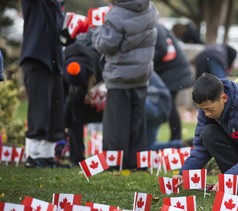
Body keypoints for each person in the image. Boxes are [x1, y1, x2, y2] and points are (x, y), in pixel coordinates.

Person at [92, 0, 158, 170]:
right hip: (141, 74)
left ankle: (114, 163)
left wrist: (97, 31)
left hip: (119, 75)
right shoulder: (149, 7)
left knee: (116, 124)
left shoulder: (116, 14)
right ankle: (136, 163)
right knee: (137, 122)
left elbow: (107, 44)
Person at [20, 0, 70, 168]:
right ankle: (33, 156)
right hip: (37, 57)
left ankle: (47, 156)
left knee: (56, 112)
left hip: (54, 61)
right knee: (39, 110)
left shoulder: (57, 5)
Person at [63, 29, 103, 165]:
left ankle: (111, 157)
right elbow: (65, 97)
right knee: (74, 118)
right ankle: (76, 158)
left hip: (102, 90)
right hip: (78, 95)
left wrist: (99, 91)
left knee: (111, 118)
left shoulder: (98, 59)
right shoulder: (65, 61)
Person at [154, 23, 193, 141]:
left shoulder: (156, 28)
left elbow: (161, 49)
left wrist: (147, 61)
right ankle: (176, 137)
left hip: (174, 73)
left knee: (168, 105)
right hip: (172, 72)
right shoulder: (158, 28)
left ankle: (176, 137)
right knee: (169, 105)